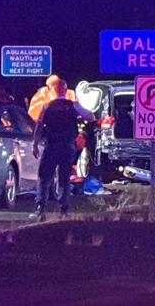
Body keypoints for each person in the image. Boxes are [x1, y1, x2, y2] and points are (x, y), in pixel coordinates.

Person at [31, 78, 95, 221]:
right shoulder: (73, 106)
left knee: (44, 177)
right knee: (64, 178)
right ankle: (64, 210)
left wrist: (35, 144)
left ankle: (40, 209)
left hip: (52, 145)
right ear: (66, 91)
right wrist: (78, 119)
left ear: (52, 90)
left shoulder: (47, 106)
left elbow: (39, 126)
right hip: (68, 146)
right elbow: (90, 116)